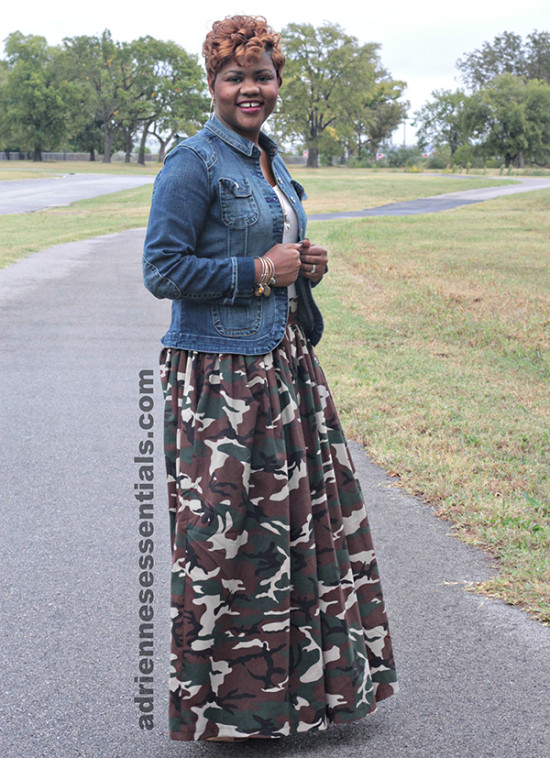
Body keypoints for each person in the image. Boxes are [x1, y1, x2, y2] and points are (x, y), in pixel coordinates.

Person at [142, 14, 397, 742]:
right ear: (214, 84)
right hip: (220, 380)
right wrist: (259, 272)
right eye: (235, 77)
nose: (250, 89)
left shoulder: (267, 160)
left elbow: (274, 251)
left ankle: (303, 699)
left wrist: (301, 267)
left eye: (262, 76)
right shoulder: (192, 164)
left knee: (300, 531)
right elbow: (162, 269)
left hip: (282, 366)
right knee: (227, 543)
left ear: (278, 83)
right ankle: (227, 712)